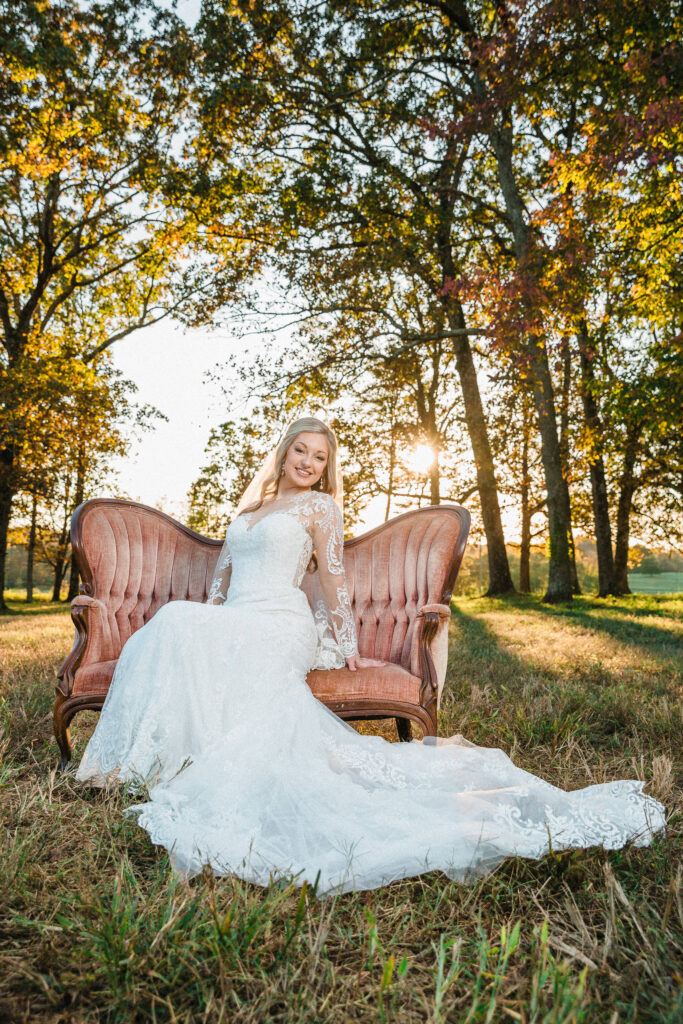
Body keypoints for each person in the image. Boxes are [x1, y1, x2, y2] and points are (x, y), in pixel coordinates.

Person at [78, 417, 665, 894]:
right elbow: (222, 582)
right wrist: (210, 621)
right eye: (301, 452)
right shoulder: (249, 512)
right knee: (181, 621)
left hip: (282, 622)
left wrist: (349, 647)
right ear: (283, 453)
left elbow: (333, 583)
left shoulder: (319, 511)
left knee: (180, 623)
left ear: (327, 469)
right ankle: (141, 764)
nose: (308, 463)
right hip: (238, 619)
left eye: (320, 458)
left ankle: (135, 767)